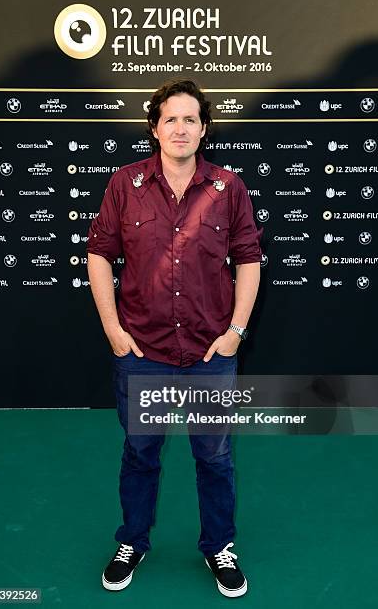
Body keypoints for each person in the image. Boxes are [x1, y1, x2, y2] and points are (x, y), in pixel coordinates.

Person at [86, 78, 262, 598]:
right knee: (141, 453)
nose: (180, 128)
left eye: (190, 119)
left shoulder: (228, 188)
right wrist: (114, 330)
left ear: (204, 128)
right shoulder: (124, 184)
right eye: (170, 118)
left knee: (214, 457)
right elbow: (99, 255)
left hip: (211, 352)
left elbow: (249, 261)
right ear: (154, 127)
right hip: (144, 353)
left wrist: (235, 333)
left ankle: (219, 546)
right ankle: (132, 542)